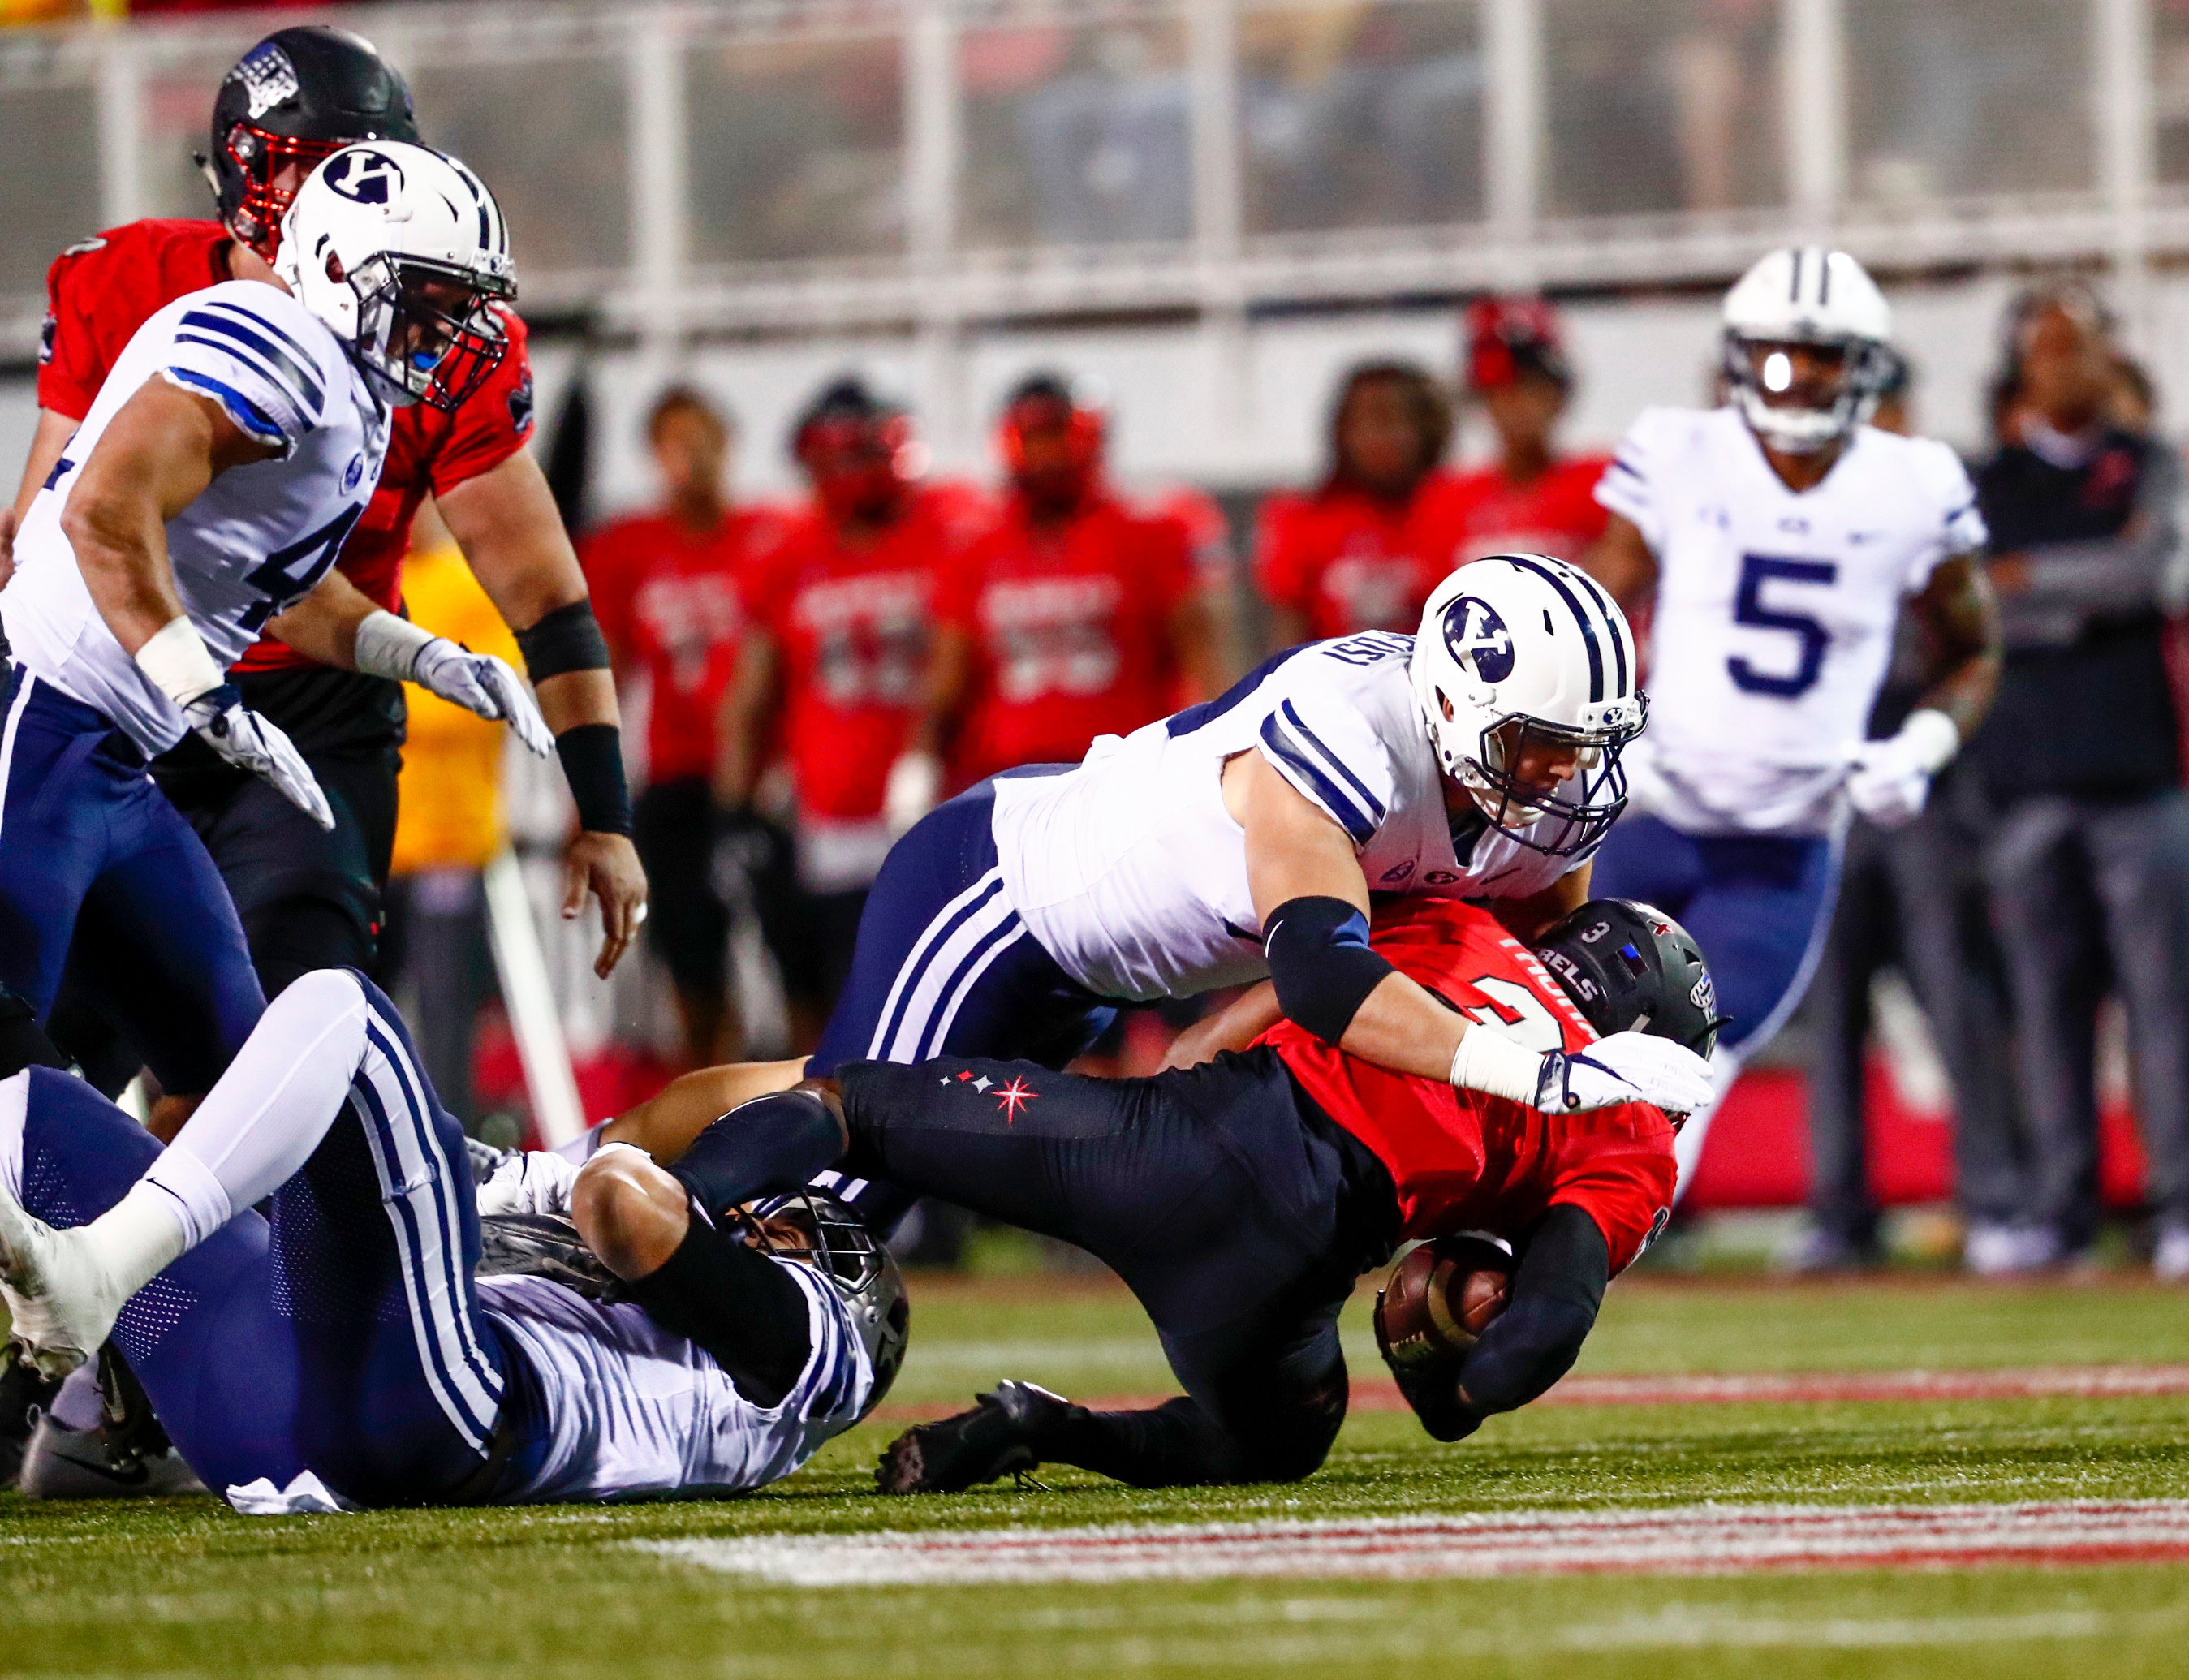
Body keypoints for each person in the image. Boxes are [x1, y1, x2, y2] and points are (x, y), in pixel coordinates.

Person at [601, 894, 1713, 1489]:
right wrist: (1454, 1362)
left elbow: (1252, 1013)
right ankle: (1044, 1425)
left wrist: (1154, 1114)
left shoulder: (1460, 928)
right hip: (1281, 1280)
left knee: (851, 1105)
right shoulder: (1626, 1125)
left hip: (1171, 1142)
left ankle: (648, 1224)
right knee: (1269, 1446)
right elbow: (1534, 1340)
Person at [800, 548, 1714, 1241]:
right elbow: (1324, 977)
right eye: (1538, 740)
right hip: (1003, 895)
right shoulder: (1346, 728)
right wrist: (1542, 1077)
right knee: (836, 1181)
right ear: (1450, 705)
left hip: (1101, 973)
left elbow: (1514, 972)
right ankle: (708, 1292)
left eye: (1585, 743)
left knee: (862, 1118)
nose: (1564, 771)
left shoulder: (1548, 799)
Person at [15, 27, 647, 1017]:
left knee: (280, 1021)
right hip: (122, 692)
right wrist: (187, 685)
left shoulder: (423, 342)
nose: (336, 194)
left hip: (317, 709)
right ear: (248, 171)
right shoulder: (147, 289)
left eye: (363, 168)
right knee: (68, 1039)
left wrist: (601, 811)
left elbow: (539, 599)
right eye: (311, 166)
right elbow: (68, 522)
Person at [0, 142, 536, 1152]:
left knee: (244, 1082)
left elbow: (274, 594)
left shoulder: (348, 394)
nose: (451, 328)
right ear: (335, 265)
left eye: (461, 303)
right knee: (10, 1053)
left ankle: (145, 1261)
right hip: (35, 712)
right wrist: (204, 693)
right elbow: (103, 511)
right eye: (428, 296)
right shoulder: (272, 337)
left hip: (115, 762)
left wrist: (418, 655)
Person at [0, 971, 903, 1510]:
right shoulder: (628, 1241)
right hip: (267, 1410)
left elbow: (620, 1206)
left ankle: (103, 1275)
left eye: (786, 1224)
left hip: (449, 1414)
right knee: (26, 1101)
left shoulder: (814, 1359)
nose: (758, 1214)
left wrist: (822, 1119)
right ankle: (106, 1411)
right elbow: (644, 1133)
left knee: (345, 1013)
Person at [1584, 246, 2002, 1196]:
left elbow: (1975, 647)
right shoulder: (1678, 451)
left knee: (1688, 1078)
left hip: (1783, 845)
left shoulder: (1915, 481)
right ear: (1739, 356)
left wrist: (1923, 746)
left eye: (1827, 354)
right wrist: (1600, 741)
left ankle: (1576, 1263)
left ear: (1866, 367)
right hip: (1649, 813)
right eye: (1781, 351)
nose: (1802, 373)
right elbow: (1588, 614)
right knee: (1555, 1043)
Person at [1970, 284, 2189, 1277]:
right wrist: (2076, 592)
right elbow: (1972, 601)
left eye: (2081, 345)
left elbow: (2144, 575)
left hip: (2137, 778)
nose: (2066, 365)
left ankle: (2175, 1205)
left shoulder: (2148, 461)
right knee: (2045, 1013)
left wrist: (2032, 584)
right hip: (2025, 781)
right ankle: (2061, 1212)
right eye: (2049, 348)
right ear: (2023, 366)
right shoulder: (1987, 481)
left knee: (2163, 1005)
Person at [714, 379, 979, 1042]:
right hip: (828, 823)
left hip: (941, 808)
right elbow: (750, 693)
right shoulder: (788, 553)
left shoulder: (954, 529)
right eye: (834, 455)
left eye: (860, 452)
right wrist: (734, 809)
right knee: (833, 1013)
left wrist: (922, 761)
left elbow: (957, 673)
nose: (849, 472)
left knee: (948, 1015)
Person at [883, 373, 1220, 828]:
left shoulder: (1152, 533)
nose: (1046, 455)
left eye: (1059, 435)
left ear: (1092, 437)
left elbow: (1203, 663)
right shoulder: (975, 549)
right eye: (1031, 438)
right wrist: (917, 765)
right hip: (1012, 786)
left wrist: (1218, 753)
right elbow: (948, 679)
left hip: (1125, 782)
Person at [584, 388, 786, 1066]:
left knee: (795, 958)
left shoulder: (771, 537)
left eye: (702, 441)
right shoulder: (631, 548)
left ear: (727, 445)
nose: (691, 459)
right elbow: (609, 677)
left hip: (763, 781)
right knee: (691, 963)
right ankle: (712, 1098)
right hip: (677, 777)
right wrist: (591, 799)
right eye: (674, 444)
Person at [1255, 360, 1468, 647]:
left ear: (1427, 430)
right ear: (1341, 433)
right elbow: (1287, 644)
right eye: (1364, 424)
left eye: (1394, 423)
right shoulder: (1302, 518)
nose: (1379, 440)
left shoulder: (1466, 508)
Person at [1446, 296, 1613, 567]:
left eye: (1529, 386)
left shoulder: (1607, 486)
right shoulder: (1447, 501)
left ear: (1557, 395)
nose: (1515, 404)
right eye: (1498, 390)